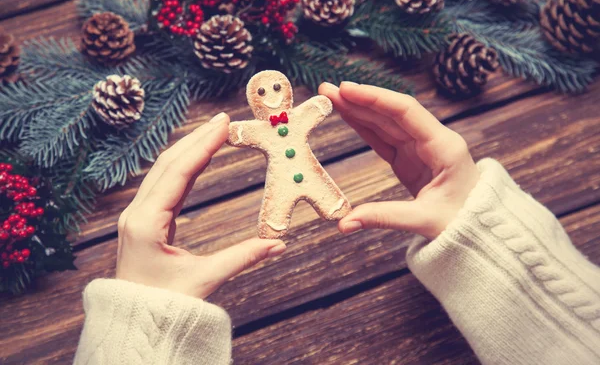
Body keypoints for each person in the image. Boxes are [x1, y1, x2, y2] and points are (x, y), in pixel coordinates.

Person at [73, 82, 600, 365]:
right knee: (276, 211)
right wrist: (490, 236)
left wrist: (137, 332)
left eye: (282, 93)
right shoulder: (259, 130)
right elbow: (241, 134)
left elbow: (317, 106)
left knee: (325, 197)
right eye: (271, 96)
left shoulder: (297, 116)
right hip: (284, 180)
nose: (278, 101)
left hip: (315, 180)